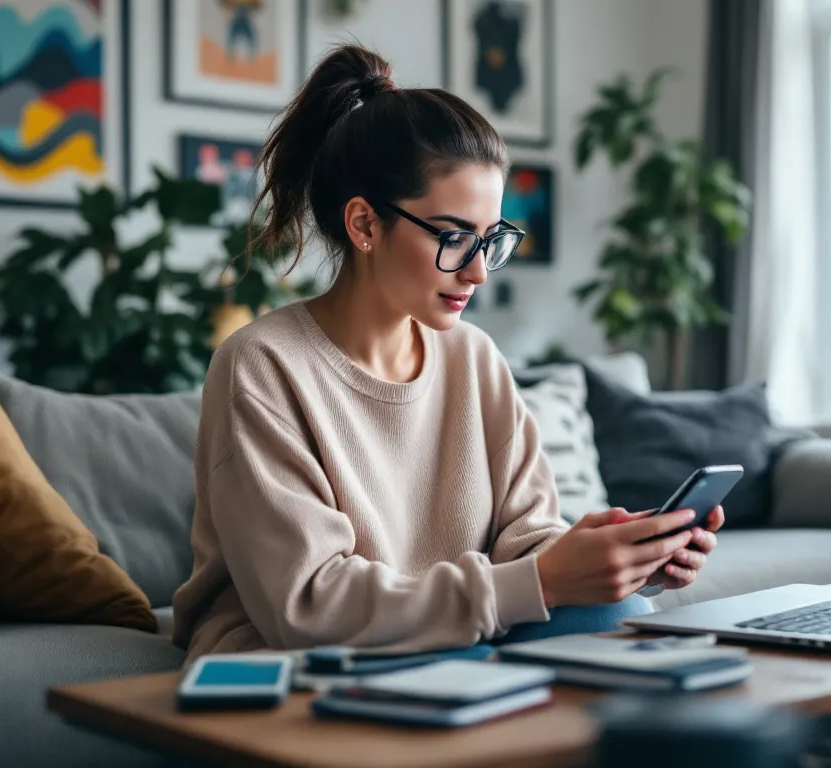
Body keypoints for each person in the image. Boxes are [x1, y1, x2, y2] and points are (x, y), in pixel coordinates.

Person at [170, 44, 725, 661]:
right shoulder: (262, 365)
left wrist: (618, 563)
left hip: (459, 631)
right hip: (296, 655)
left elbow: (527, 539)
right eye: (457, 238)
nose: (479, 272)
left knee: (622, 613)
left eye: (491, 240)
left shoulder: (474, 358)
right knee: (470, 665)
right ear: (364, 225)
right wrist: (538, 583)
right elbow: (309, 605)